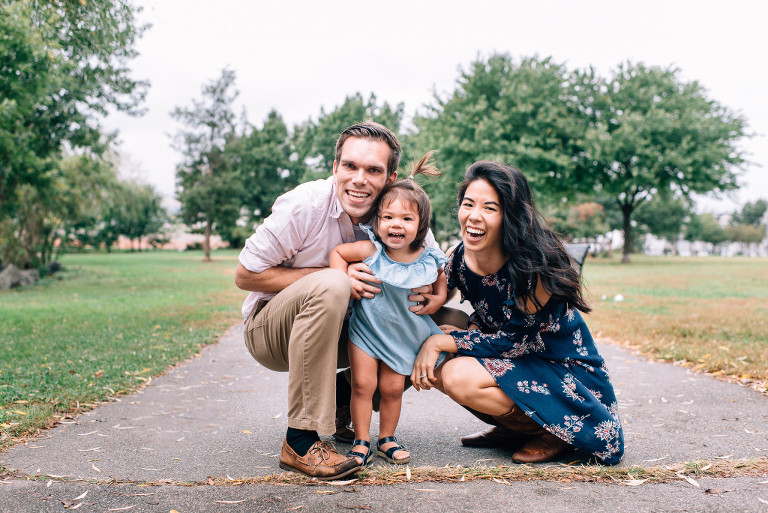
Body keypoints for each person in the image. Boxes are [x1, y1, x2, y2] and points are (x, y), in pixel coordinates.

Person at [234, 121, 446, 480]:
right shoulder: (304, 205)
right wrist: (336, 275)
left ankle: (343, 401)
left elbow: (434, 266)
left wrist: (436, 294)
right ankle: (300, 440)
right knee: (333, 282)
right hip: (273, 331)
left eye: (373, 170)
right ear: (336, 167)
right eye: (350, 166)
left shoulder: (401, 212)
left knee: (449, 324)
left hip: (351, 332)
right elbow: (245, 275)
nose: (359, 179)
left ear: (390, 178)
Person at [410, 161, 625, 465]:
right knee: (433, 358)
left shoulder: (533, 267)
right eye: (468, 204)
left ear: (510, 215)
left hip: (559, 368)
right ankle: (515, 429)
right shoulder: (459, 257)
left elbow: (515, 343)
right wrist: (434, 293)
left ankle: (552, 432)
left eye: (489, 208)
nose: (474, 216)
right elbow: (442, 288)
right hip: (513, 360)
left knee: (456, 374)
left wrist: (446, 341)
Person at [330, 152, 447, 466]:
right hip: (366, 332)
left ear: (420, 225)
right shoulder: (371, 250)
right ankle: (361, 441)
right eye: (388, 217)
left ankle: (387, 439)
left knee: (392, 388)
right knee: (363, 385)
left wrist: (438, 298)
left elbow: (440, 277)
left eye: (407, 219)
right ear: (377, 221)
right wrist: (342, 280)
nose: (396, 224)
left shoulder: (427, 256)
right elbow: (338, 253)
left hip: (401, 334)